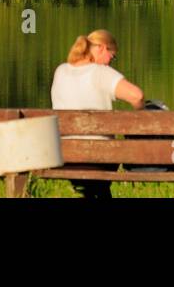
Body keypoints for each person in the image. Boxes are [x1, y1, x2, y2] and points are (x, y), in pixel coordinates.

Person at [51, 29, 144, 198]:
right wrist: (142, 112)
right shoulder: (101, 73)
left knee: (95, 189)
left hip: (65, 156)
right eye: (112, 56)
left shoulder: (60, 71)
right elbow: (137, 96)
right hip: (100, 158)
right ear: (102, 48)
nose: (110, 62)